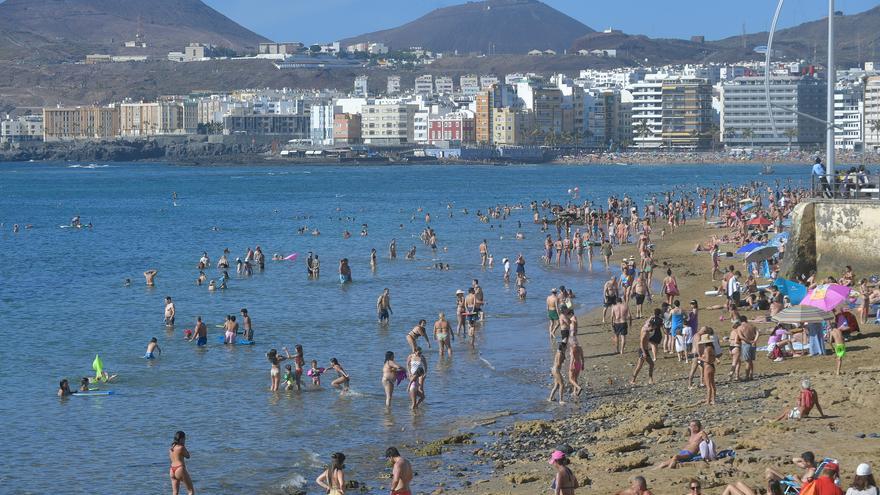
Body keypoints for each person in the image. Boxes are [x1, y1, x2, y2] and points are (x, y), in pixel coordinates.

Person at [631, 315, 656, 385]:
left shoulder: (646, 325)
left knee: (640, 366)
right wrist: (644, 353)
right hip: (643, 350)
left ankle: (633, 380)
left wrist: (652, 317)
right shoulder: (645, 332)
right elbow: (641, 343)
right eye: (652, 328)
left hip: (644, 350)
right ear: (650, 326)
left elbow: (648, 320)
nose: (652, 330)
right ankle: (650, 379)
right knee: (649, 364)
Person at [169, 431, 194, 495]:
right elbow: (188, 456)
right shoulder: (181, 448)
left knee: (175, 492)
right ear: (181, 439)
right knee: (190, 491)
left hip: (172, 470)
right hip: (180, 469)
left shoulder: (171, 448)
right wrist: (183, 446)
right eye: (184, 439)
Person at [699, 334, 716, 404]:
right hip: (712, 366)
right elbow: (713, 358)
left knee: (708, 385)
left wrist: (700, 358)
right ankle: (713, 400)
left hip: (707, 366)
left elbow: (707, 360)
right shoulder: (712, 348)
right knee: (712, 384)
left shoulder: (707, 349)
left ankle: (708, 401)